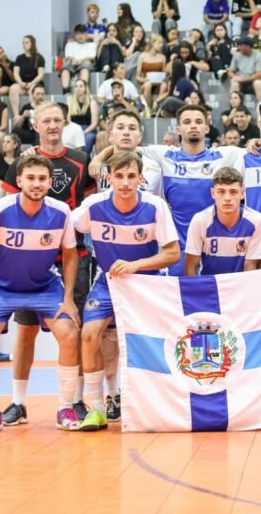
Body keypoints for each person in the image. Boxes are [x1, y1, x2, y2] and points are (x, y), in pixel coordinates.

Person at [0, 154, 82, 433]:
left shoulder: (61, 212)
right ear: (19, 181)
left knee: (69, 333)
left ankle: (65, 407)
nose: (36, 183)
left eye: (42, 179)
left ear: (49, 183)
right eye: (30, 178)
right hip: (3, 287)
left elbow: (70, 255)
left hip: (45, 286)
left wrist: (68, 299)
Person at [0, 103, 95, 426]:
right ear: (36, 125)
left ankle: (75, 401)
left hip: (72, 258)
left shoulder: (81, 161)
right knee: (25, 332)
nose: (52, 125)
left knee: (73, 330)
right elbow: (7, 206)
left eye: (57, 120)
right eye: (46, 121)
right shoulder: (21, 164)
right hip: (29, 260)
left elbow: (88, 207)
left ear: (64, 124)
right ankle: (18, 402)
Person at [72, 152, 179, 431]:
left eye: (131, 176)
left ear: (141, 179)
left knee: (155, 343)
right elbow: (63, 222)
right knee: (89, 334)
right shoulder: (93, 206)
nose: (125, 182)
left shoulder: (155, 206)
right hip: (109, 284)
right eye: (119, 176)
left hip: (149, 285)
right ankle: (96, 407)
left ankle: (160, 403)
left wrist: (135, 265)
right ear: (109, 178)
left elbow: (172, 254)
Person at [89, 104, 247, 275]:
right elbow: (126, 145)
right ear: (178, 128)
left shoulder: (226, 155)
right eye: (187, 122)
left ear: (207, 127)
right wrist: (99, 158)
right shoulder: (164, 155)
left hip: (212, 243)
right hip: (176, 245)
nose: (193, 125)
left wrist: (255, 142)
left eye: (198, 122)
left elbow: (256, 150)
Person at [61, 25, 96, 95]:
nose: (80, 36)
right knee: (65, 68)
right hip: (72, 62)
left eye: (82, 34)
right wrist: (73, 60)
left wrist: (81, 60)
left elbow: (92, 57)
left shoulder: (91, 45)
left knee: (85, 67)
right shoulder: (70, 44)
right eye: (78, 34)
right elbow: (68, 56)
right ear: (75, 35)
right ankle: (66, 90)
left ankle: (82, 90)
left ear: (86, 35)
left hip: (85, 63)